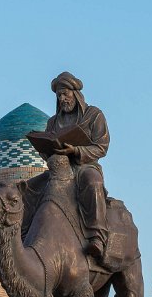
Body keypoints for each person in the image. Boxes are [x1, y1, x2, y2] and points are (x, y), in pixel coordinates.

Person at [46, 71, 110, 259]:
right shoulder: (53, 122)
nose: (63, 98)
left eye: (66, 93)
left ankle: (97, 237)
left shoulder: (93, 115)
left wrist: (76, 151)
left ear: (76, 93)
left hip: (85, 166)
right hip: (59, 168)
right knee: (29, 188)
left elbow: (101, 146)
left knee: (93, 182)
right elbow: (46, 148)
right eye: (59, 95)